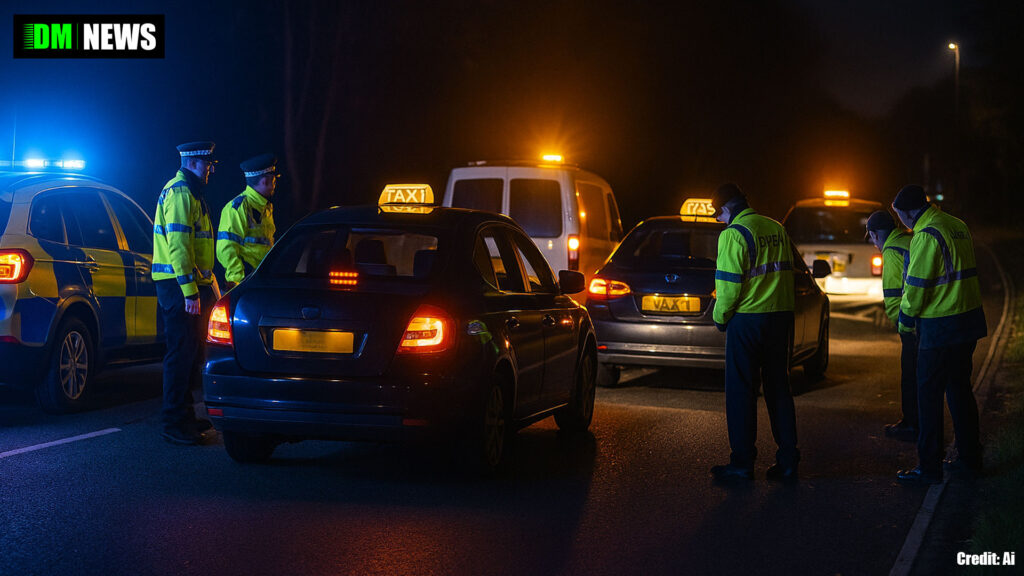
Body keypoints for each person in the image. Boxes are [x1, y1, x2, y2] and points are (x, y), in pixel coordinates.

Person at [891, 185, 987, 484]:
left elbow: (917, 287)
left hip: (939, 326)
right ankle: (970, 457)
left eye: (900, 217)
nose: (902, 223)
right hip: (967, 320)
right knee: (959, 390)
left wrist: (905, 322)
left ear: (908, 212)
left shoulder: (926, 234)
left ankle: (928, 468)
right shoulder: (957, 225)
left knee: (928, 397)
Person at [709, 183, 799, 482]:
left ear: (727, 208)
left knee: (741, 392)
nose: (719, 220)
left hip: (747, 320)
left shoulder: (734, 234)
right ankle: (788, 460)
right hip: (781, 317)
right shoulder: (776, 228)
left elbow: (729, 287)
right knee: (779, 390)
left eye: (718, 214)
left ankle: (742, 463)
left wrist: (720, 318)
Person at [152, 141, 219, 445]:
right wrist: (190, 292)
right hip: (179, 286)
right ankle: (172, 422)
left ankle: (185, 416)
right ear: (193, 163)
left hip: (187, 285)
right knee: (180, 352)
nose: (210, 169)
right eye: (207, 163)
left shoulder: (190, 192)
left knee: (190, 352)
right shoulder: (180, 193)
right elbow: (179, 247)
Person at [865, 210, 917, 441]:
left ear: (875, 235)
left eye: (871, 238)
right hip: (927, 318)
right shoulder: (909, 240)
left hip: (911, 323)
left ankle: (912, 425)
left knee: (910, 376)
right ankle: (916, 423)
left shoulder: (892, 251)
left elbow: (894, 295)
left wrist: (900, 325)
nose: (874, 244)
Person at [216, 153, 278, 289]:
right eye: (273, 180)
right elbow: (225, 248)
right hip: (245, 282)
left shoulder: (266, 207)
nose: (275, 184)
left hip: (260, 279)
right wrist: (238, 281)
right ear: (264, 181)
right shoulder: (238, 207)